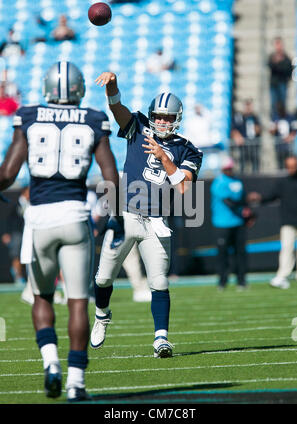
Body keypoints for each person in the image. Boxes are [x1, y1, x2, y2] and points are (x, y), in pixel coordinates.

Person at [0, 61, 120, 402]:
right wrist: (118, 216)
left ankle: (51, 364)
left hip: (40, 219)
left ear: (47, 88)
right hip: (75, 215)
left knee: (42, 296)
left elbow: (8, 172)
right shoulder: (94, 119)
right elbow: (110, 175)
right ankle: (76, 383)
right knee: (79, 303)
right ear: (79, 89)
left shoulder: (29, 115)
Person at [90, 72, 203, 358]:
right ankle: (102, 316)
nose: (162, 121)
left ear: (176, 118)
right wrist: (114, 86)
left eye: (167, 117)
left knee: (159, 282)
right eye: (159, 116)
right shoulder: (139, 126)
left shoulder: (187, 149)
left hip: (156, 221)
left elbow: (184, 187)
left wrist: (165, 157)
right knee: (103, 279)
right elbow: (118, 109)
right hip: (126, 215)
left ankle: (161, 339)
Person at [248, 156, 297, 289]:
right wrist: (259, 198)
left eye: (294, 166)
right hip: (288, 221)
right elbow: (270, 196)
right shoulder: (282, 183)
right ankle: (282, 276)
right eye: (289, 166)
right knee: (286, 248)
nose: (292, 169)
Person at [210, 156, 255, 290]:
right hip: (222, 223)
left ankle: (241, 281)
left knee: (240, 253)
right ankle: (222, 281)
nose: (229, 171)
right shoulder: (218, 182)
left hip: (238, 222)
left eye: (230, 168)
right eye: (227, 168)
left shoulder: (237, 181)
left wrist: (248, 212)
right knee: (223, 254)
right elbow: (229, 202)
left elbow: (242, 198)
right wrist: (244, 206)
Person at [1, 186, 29, 286]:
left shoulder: (33, 204)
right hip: (17, 234)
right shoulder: (15, 204)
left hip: (28, 233)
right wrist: (6, 233)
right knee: (16, 255)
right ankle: (18, 276)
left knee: (27, 256)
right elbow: (9, 220)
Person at [231, 99, 262, 173]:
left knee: (255, 164)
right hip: (243, 144)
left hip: (254, 144)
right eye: (247, 105)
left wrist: (256, 128)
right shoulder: (239, 117)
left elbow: (259, 130)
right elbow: (234, 130)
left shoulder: (255, 117)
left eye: (250, 106)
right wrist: (238, 137)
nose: (248, 108)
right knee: (243, 164)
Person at [268, 37, 293, 119]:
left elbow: (287, 69)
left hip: (283, 83)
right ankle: (274, 121)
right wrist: (279, 64)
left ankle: (283, 120)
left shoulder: (286, 58)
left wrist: (278, 63)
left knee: (283, 104)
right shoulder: (272, 57)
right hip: (274, 84)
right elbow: (271, 66)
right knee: (273, 104)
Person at [269, 102, 297, 169]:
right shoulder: (275, 118)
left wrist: (290, 136)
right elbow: (271, 132)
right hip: (279, 146)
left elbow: (295, 129)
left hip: (289, 146)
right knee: (280, 164)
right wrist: (275, 127)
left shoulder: (290, 117)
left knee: (290, 163)